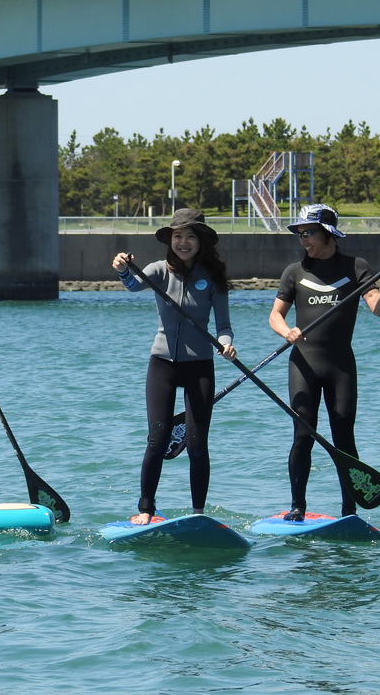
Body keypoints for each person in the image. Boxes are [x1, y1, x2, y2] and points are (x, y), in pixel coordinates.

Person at [267, 203, 380, 522]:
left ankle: (349, 511)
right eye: (300, 233)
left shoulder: (355, 267)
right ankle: (297, 508)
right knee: (303, 436)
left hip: (340, 366)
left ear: (328, 233)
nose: (303, 239)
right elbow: (275, 315)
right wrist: (287, 331)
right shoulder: (294, 272)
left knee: (344, 439)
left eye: (309, 232)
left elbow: (378, 308)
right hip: (303, 365)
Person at [112, 208, 236, 525]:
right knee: (157, 438)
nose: (183, 242)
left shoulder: (213, 278)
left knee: (196, 444)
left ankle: (198, 513)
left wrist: (226, 342)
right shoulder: (158, 271)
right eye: (177, 236)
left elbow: (224, 325)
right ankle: (145, 509)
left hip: (200, 367)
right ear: (170, 240)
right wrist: (123, 268)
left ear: (201, 241)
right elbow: (132, 284)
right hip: (163, 365)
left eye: (190, 236)